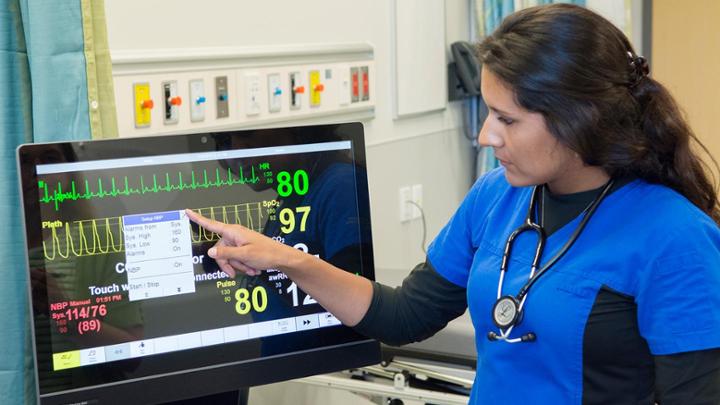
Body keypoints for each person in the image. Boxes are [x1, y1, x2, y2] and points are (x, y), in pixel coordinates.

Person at [186, 4, 720, 404]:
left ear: (579, 117)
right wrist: (286, 259)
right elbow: (405, 316)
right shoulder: (497, 197)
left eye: (507, 119)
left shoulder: (674, 237)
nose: (487, 135)